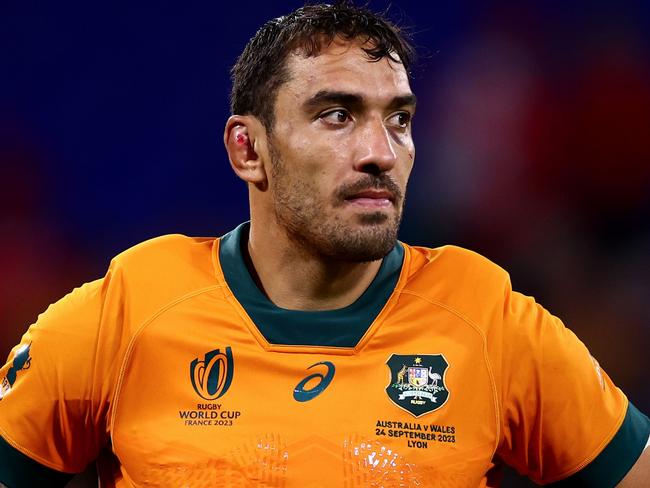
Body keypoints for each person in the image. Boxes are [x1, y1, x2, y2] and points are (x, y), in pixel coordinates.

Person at [0, 2, 648, 487]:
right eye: (337, 116)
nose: (380, 153)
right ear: (247, 150)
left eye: (399, 119)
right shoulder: (127, 311)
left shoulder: (488, 317)